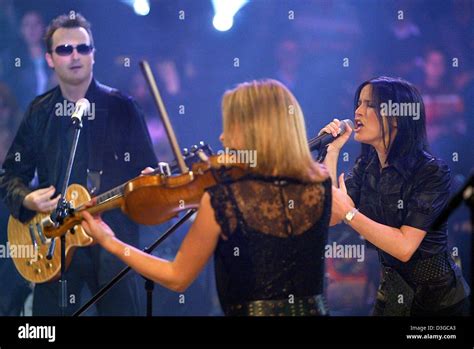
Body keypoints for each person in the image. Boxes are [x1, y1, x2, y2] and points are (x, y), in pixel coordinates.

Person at [81, 79, 334, 316]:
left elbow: (177, 276)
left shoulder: (224, 198)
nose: (222, 137)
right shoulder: (320, 186)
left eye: (230, 126)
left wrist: (110, 241)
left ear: (254, 130)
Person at [0, 13, 157, 316]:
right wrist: (28, 198)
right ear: (49, 59)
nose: (75, 56)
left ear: (93, 55)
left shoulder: (122, 107)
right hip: (53, 242)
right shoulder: (40, 111)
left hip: (113, 240)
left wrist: (150, 184)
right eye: (64, 49)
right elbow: (9, 177)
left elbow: (146, 173)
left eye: (83, 48)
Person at [324, 76, 470, 316]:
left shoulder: (431, 171)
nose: (357, 111)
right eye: (358, 103)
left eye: (369, 105)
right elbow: (331, 216)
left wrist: (350, 213)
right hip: (392, 295)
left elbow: (404, 246)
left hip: (439, 302)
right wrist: (332, 151)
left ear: (395, 118)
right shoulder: (367, 166)